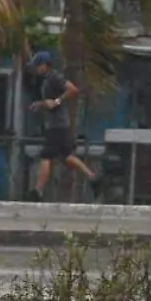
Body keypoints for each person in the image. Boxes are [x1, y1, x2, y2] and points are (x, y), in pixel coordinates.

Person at [28, 50, 98, 200]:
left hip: (57, 125)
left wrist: (57, 101)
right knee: (66, 157)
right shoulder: (46, 80)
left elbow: (72, 89)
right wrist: (40, 104)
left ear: (45, 65)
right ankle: (93, 178)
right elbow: (49, 101)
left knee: (46, 155)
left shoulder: (54, 77)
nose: (36, 69)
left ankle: (37, 191)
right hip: (56, 124)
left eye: (37, 66)